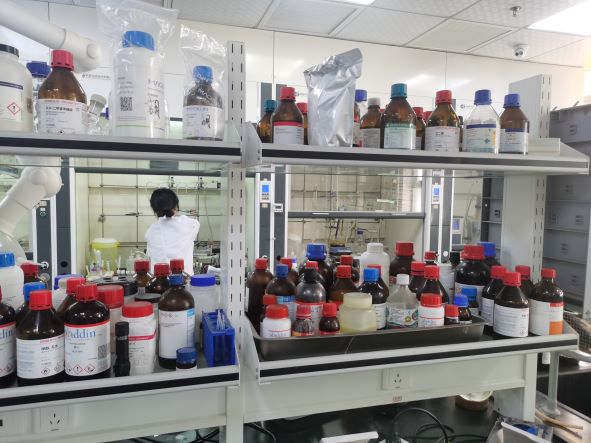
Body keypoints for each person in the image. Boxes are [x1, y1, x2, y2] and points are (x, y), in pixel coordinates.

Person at [145, 188, 199, 275]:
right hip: (183, 280)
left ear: (154, 209)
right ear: (175, 206)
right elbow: (195, 224)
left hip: (158, 280)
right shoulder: (188, 224)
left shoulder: (150, 231)